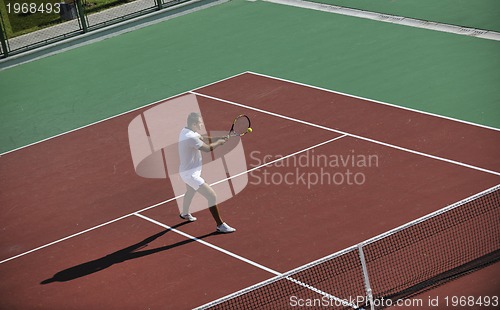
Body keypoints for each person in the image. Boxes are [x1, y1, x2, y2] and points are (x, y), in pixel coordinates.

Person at [177, 112, 236, 233]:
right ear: (193, 124)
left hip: (186, 171)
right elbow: (207, 148)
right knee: (212, 196)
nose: (201, 124)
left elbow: (204, 139)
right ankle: (220, 225)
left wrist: (219, 139)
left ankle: (185, 213)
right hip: (190, 175)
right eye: (199, 123)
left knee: (190, 191)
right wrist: (219, 143)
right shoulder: (190, 137)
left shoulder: (186, 131)